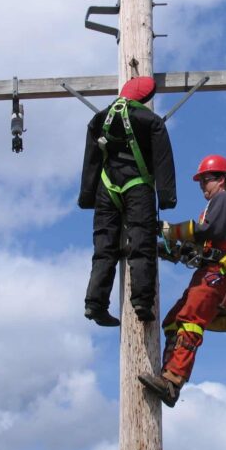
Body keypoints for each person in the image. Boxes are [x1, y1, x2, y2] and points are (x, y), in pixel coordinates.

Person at [139, 155, 226, 407]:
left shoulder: (225, 199)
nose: (202, 185)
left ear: (221, 180)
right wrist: (171, 249)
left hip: (221, 274)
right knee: (173, 321)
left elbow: (208, 232)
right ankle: (166, 373)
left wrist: (170, 230)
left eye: (205, 180)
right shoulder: (211, 207)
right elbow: (200, 246)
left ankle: (172, 381)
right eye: (200, 181)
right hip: (210, 272)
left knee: (190, 320)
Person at [78, 76, 177, 326]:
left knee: (104, 248)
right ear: (145, 97)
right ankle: (142, 302)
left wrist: (86, 197)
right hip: (137, 185)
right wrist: (166, 197)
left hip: (106, 186)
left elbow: (91, 158)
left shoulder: (100, 118)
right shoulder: (151, 121)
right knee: (141, 242)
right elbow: (163, 160)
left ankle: (95, 304)